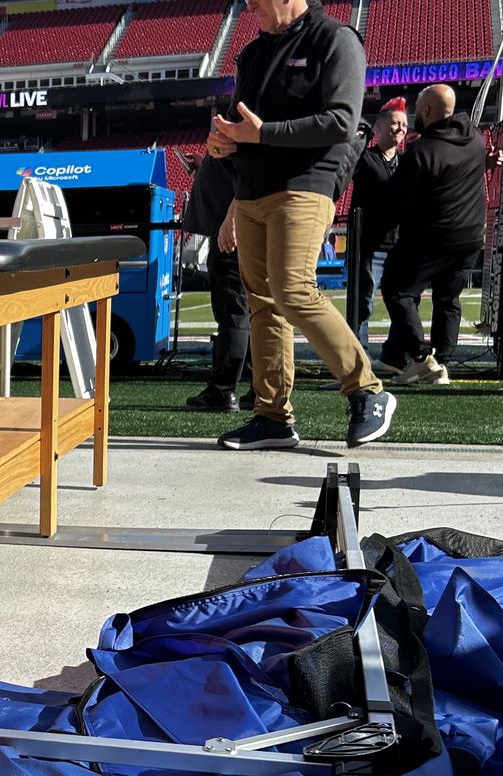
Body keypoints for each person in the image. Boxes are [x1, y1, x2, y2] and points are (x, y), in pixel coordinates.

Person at [206, 0, 397, 451]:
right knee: (262, 302)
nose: (249, 3)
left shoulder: (335, 39)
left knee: (293, 289)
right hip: (251, 189)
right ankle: (272, 417)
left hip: (304, 186)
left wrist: (261, 134)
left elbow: (343, 121)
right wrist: (226, 143)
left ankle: (368, 390)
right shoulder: (253, 53)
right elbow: (245, 126)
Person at [376, 84, 485, 386]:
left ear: (425, 111)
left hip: (434, 236)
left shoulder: (422, 152)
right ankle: (441, 362)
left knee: (397, 289)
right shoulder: (474, 138)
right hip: (471, 236)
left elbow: (399, 201)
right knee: (448, 299)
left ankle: (423, 358)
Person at [177, 151, 254, 412]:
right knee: (251, 311)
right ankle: (261, 389)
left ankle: (223, 390)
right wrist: (206, 165)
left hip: (232, 232)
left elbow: (249, 175)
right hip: (235, 227)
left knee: (233, 311)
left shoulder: (243, 121)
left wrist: (231, 219)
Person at [348, 100, 408, 356]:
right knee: (364, 302)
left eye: (404, 124)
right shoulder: (364, 158)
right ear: (379, 127)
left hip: (399, 244)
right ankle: (357, 354)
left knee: (402, 302)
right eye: (395, 123)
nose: (400, 129)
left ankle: (394, 353)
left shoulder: (408, 162)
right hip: (369, 244)